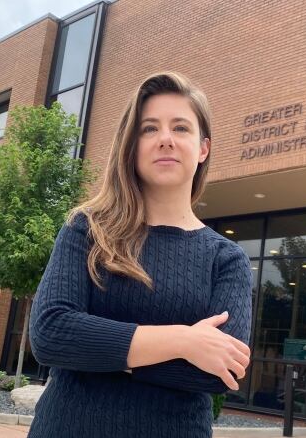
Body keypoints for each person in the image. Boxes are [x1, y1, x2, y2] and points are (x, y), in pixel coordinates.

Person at [27, 71, 253, 438]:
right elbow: (51, 333)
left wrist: (99, 355)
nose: (165, 139)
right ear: (131, 145)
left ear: (203, 148)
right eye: (149, 129)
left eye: (181, 128)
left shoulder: (226, 259)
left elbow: (218, 372)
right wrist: (184, 341)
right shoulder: (87, 228)